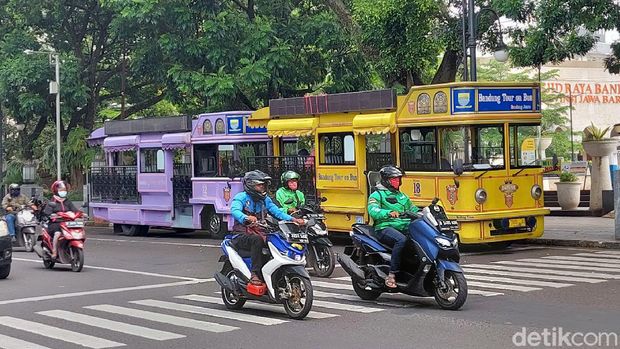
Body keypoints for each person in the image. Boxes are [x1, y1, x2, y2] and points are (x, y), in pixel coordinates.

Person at [230, 170, 305, 286]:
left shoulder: (265, 200)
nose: (263, 188)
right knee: (257, 240)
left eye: (264, 185)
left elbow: (277, 212)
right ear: (251, 185)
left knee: (277, 240)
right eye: (260, 185)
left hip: (261, 232)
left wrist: (293, 220)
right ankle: (255, 273)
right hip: (241, 234)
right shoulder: (241, 197)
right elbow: (235, 210)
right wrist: (246, 218)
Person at [367, 165, 419, 288]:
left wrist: (425, 212)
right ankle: (392, 274)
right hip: (384, 227)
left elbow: (413, 209)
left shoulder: (402, 196)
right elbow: (373, 210)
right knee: (401, 240)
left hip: (404, 226)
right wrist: (388, 213)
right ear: (386, 180)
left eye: (398, 179)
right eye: (394, 179)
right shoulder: (377, 195)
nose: (397, 181)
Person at [42, 180, 79, 259]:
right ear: (56, 191)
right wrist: (52, 215)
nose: (63, 192)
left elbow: (75, 210)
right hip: (55, 224)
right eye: (61, 190)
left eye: (64, 190)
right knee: (58, 234)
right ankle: (54, 252)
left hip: (67, 224)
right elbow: (47, 212)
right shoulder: (52, 202)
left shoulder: (67, 202)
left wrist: (81, 214)